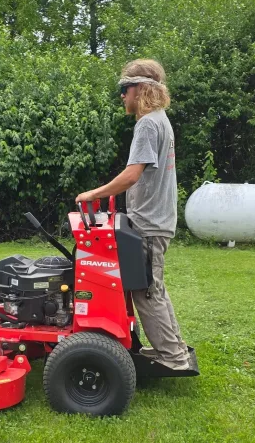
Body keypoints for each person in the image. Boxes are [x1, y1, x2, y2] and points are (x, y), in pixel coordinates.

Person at [75, 59, 191, 370]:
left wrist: (93, 194)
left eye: (125, 89)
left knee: (147, 292)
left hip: (151, 223)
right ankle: (173, 348)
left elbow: (131, 175)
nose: (122, 96)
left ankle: (173, 357)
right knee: (153, 288)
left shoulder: (147, 124)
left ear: (141, 89)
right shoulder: (160, 120)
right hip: (156, 220)